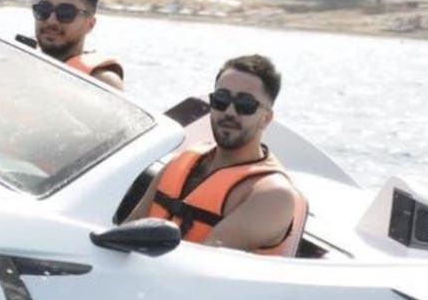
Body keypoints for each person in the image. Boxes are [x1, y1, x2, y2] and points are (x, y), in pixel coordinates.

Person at [125, 55, 307, 256]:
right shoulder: (184, 159)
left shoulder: (274, 195)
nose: (230, 111)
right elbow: (127, 229)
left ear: (266, 118)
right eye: (221, 99)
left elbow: (201, 265)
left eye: (245, 104)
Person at [31, 0, 124, 90]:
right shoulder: (14, 65)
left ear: (90, 25)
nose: (51, 20)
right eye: (44, 9)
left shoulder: (101, 83)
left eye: (66, 13)